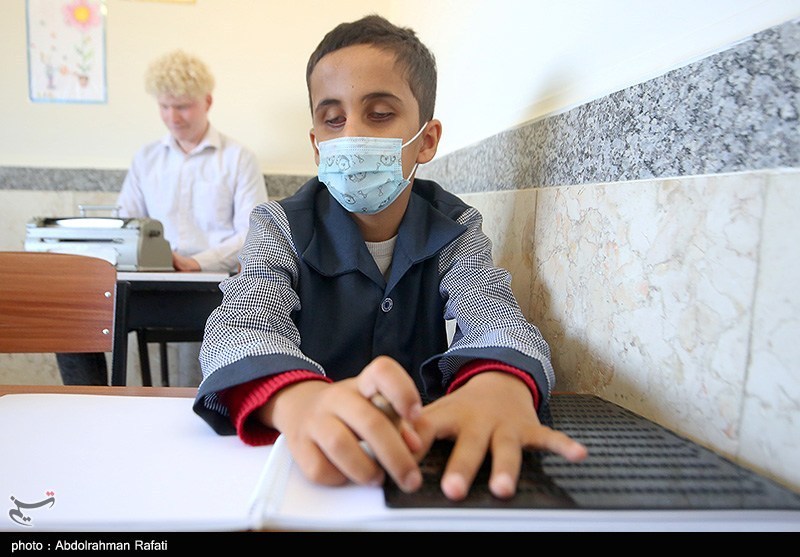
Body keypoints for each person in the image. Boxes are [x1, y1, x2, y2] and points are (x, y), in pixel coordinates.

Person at [193, 15, 587, 502]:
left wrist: (499, 382)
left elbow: (495, 316)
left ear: (426, 139)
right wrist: (294, 398)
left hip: (415, 458)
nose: (352, 135)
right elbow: (239, 327)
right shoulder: (279, 225)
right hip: (306, 470)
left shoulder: (455, 227)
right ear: (316, 144)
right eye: (333, 119)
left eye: (379, 114)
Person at [57, 49, 268, 387]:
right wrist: (154, 256)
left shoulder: (238, 158)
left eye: (182, 106)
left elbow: (252, 233)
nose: (173, 117)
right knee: (72, 314)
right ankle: (90, 400)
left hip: (215, 286)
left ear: (207, 101)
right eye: (164, 106)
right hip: (148, 283)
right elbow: (126, 225)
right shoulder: (147, 158)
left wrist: (196, 263)